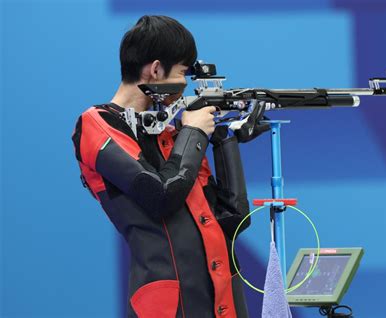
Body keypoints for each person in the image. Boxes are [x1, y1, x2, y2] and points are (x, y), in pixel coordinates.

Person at [72, 15, 268, 317]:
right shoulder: (97, 124)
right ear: (155, 69)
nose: (184, 85)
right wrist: (192, 133)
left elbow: (233, 219)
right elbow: (160, 195)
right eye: (182, 73)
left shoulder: (167, 131)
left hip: (224, 296)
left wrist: (223, 139)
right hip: (169, 304)